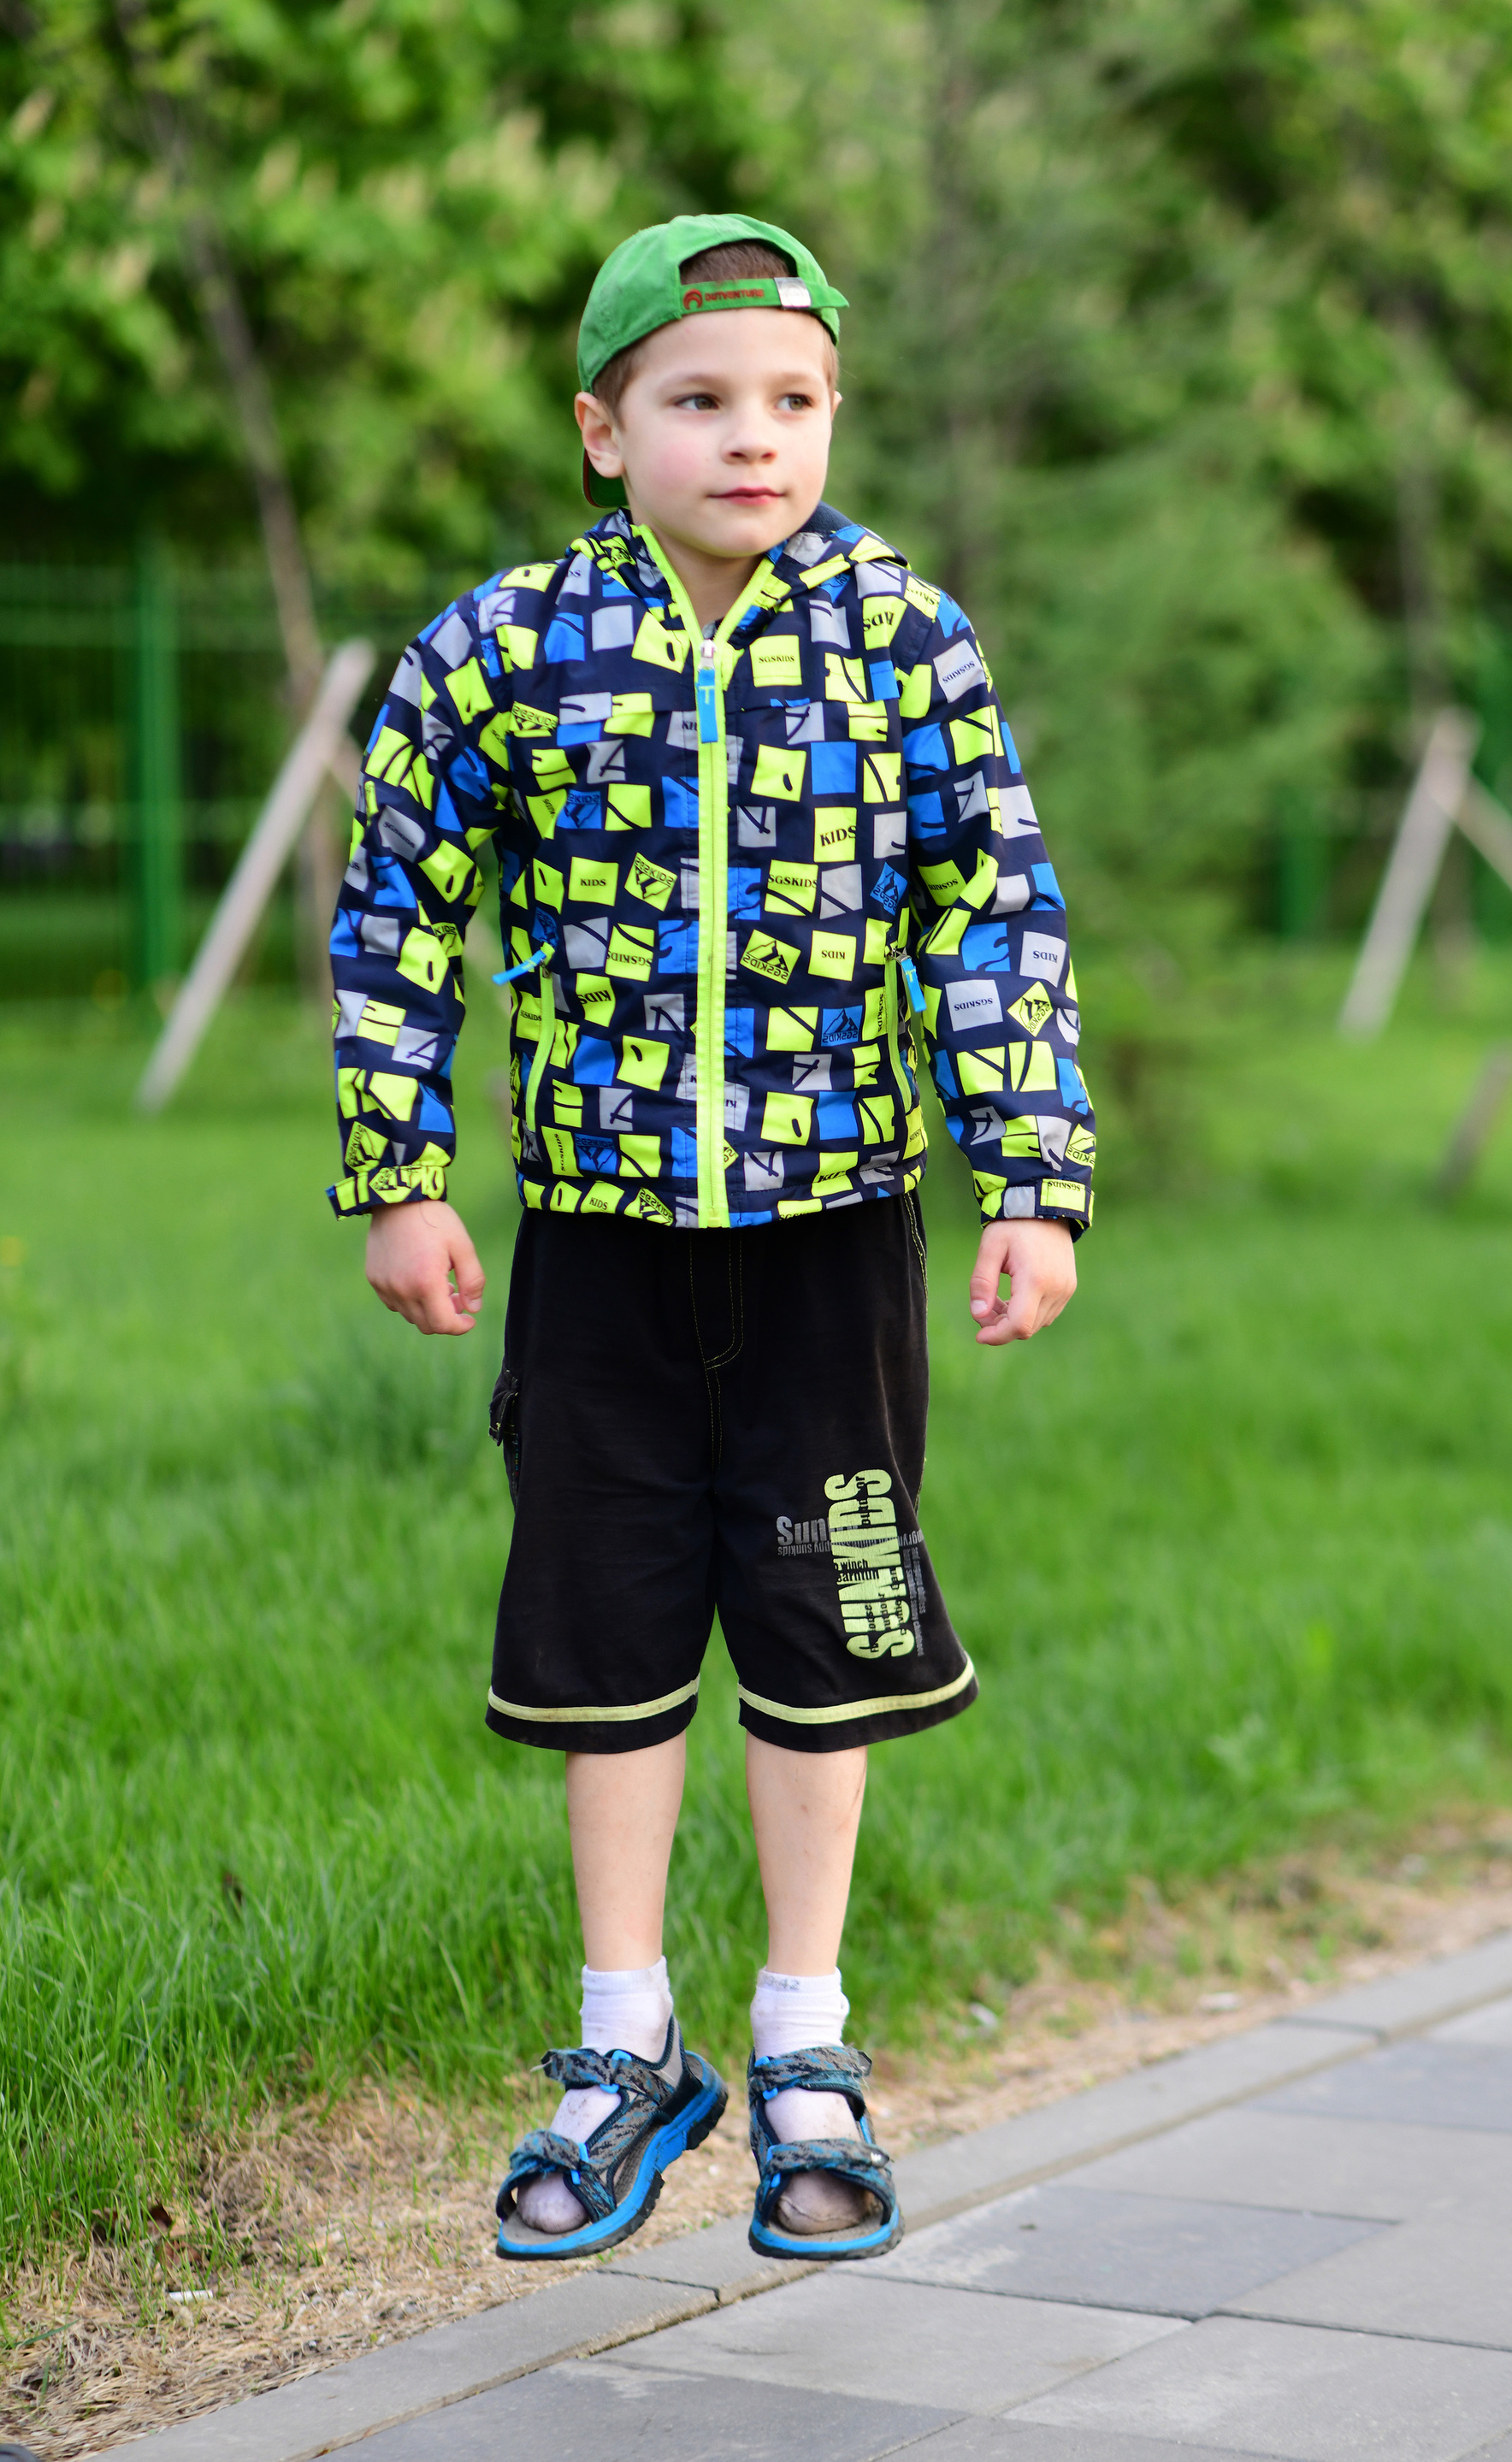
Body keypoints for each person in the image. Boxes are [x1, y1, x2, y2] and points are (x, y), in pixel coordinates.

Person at [328, 213, 1094, 2264]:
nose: (755, 437)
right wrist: (399, 1169)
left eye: (794, 399)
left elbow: (995, 912)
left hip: (834, 1242)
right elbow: (397, 911)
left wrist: (1031, 1176)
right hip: (600, 1243)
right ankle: (624, 2039)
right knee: (606, 1637)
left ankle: (806, 2036)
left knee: (828, 1627)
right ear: (605, 431)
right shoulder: (499, 651)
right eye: (700, 401)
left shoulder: (906, 642)